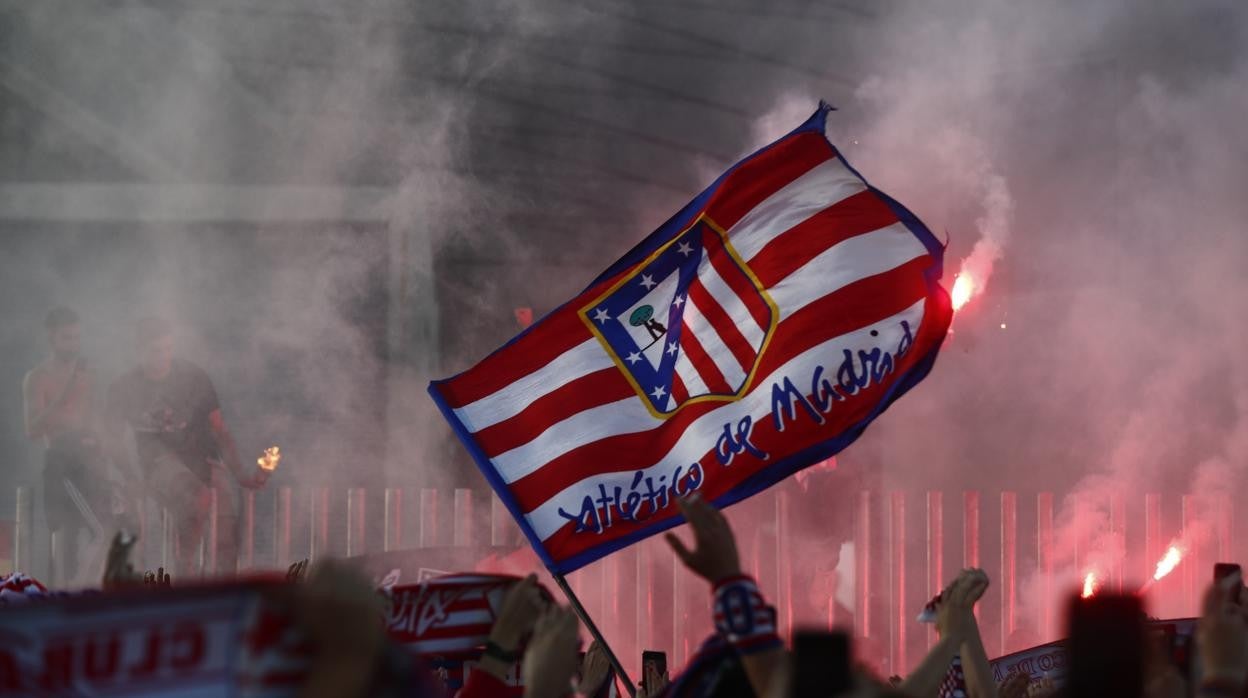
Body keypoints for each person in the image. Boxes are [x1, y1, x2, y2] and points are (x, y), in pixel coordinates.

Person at [104, 317, 258, 576]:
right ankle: (184, 567)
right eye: (155, 350)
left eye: (167, 349)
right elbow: (111, 438)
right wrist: (129, 476)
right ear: (138, 350)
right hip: (159, 461)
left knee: (226, 520)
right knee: (197, 497)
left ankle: (224, 588)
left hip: (201, 456)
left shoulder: (193, 377)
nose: (162, 357)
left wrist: (240, 472)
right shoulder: (124, 387)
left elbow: (219, 429)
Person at [22, 306, 108, 584]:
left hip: (90, 461)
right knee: (65, 534)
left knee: (105, 528)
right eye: (67, 338)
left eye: (77, 338)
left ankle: (89, 592)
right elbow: (32, 429)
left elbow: (98, 420)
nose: (73, 345)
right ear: (52, 338)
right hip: (59, 462)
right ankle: (62, 592)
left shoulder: (89, 374)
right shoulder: (38, 377)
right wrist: (64, 395)